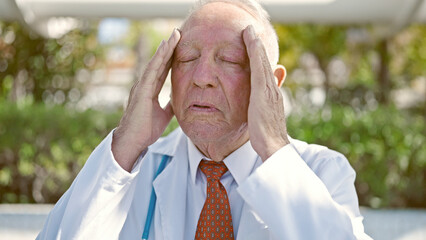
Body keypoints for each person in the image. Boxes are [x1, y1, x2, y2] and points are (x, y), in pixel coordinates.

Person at [37, 0, 372, 239]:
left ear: (272, 83)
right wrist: (126, 141)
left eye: (228, 59)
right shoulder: (131, 168)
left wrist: (273, 146)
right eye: (187, 57)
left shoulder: (322, 171)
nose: (202, 77)